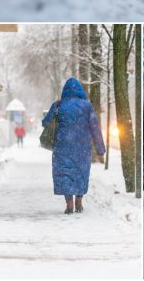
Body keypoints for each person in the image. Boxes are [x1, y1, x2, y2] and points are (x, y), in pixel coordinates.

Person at [41, 77, 106, 215]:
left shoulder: (58, 105)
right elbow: (95, 128)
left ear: (65, 90)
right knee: (80, 174)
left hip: (62, 147)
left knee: (65, 174)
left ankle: (69, 203)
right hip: (82, 149)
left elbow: (46, 123)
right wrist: (100, 148)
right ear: (80, 91)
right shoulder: (87, 106)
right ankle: (79, 201)